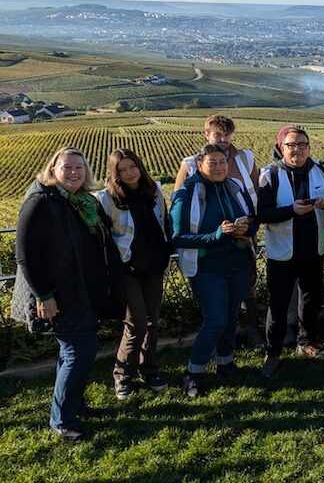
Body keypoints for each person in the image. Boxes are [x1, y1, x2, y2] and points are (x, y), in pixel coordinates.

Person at [11, 147, 125, 441]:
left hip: (79, 290)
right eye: (67, 167)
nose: (74, 172)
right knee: (79, 350)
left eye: (79, 167)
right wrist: (43, 296)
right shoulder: (40, 202)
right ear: (53, 170)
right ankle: (62, 420)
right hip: (57, 294)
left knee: (74, 351)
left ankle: (73, 406)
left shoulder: (83, 202)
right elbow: (26, 255)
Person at [172, 144, 258, 398]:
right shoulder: (187, 193)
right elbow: (178, 236)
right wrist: (217, 235)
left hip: (238, 263)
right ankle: (193, 373)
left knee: (231, 316)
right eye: (213, 163)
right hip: (208, 267)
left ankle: (226, 363)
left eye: (222, 162)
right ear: (199, 166)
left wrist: (247, 229)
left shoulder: (235, 186)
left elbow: (250, 217)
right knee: (216, 320)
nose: (219, 167)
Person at [173, 114, 263, 349]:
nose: (223, 139)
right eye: (218, 134)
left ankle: (249, 332)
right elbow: (180, 199)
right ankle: (220, 337)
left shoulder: (245, 158)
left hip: (243, 234)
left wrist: (251, 225)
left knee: (247, 285)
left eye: (227, 134)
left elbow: (256, 193)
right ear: (207, 135)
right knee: (217, 299)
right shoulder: (191, 164)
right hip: (208, 243)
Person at [257, 126, 324, 378]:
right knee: (278, 306)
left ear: (309, 147)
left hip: (313, 249)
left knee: (310, 300)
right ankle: (273, 352)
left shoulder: (321, 172)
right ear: (281, 148)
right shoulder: (270, 175)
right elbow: (263, 214)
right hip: (282, 253)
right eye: (291, 145)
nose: (297, 149)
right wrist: (291, 210)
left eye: (302, 144)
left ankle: (307, 342)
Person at [96, 149, 172, 399]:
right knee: (136, 322)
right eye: (122, 169)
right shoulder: (107, 199)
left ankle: (149, 369)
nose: (129, 173)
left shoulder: (154, 191)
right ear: (114, 173)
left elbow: (164, 223)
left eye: (132, 167)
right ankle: (122, 374)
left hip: (154, 265)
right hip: (127, 269)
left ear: (139, 166)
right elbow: (104, 238)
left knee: (153, 321)